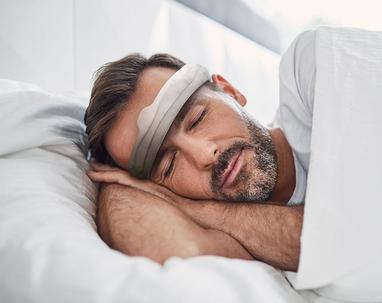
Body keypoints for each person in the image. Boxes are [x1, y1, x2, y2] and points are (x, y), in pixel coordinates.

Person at [85, 30, 316, 271]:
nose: (205, 155)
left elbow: (337, 238)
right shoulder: (235, 237)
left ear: (230, 91)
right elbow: (183, 254)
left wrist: (191, 207)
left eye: (197, 119)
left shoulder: (310, 71)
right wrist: (120, 185)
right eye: (168, 166)